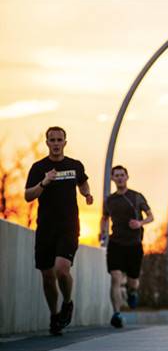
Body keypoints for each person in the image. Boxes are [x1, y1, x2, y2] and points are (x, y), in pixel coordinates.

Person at [24, 126, 93, 335]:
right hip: (45, 228)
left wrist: (87, 195)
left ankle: (68, 303)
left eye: (59, 140)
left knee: (62, 269)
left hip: (68, 227)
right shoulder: (38, 168)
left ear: (65, 142)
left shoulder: (74, 165)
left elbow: (83, 183)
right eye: (52, 140)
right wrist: (45, 182)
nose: (55, 143)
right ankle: (54, 316)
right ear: (47, 143)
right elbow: (28, 195)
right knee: (47, 276)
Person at [100, 165, 154, 328]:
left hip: (134, 244)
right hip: (116, 243)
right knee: (115, 277)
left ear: (127, 177)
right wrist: (103, 233)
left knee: (133, 281)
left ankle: (132, 292)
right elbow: (104, 218)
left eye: (122, 175)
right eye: (116, 175)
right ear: (112, 178)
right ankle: (116, 313)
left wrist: (140, 223)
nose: (120, 178)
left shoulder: (137, 197)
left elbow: (151, 216)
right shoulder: (109, 200)